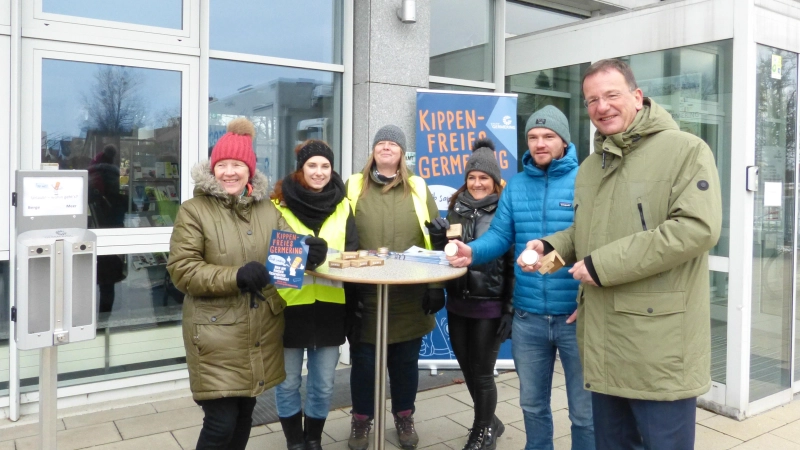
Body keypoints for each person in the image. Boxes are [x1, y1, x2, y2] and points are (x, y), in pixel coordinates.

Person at [522, 59, 722, 449]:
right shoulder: (591, 167)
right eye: (592, 99)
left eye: (612, 95)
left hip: (657, 346)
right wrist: (554, 246)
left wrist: (601, 265)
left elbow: (697, 229)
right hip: (604, 339)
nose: (602, 106)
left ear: (637, 96)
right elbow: (589, 232)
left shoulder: (686, 150)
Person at [167, 118, 327, 450]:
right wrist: (236, 276)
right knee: (220, 423)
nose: (229, 172)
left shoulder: (267, 210)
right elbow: (182, 270)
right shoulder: (194, 211)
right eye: (222, 165)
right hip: (215, 333)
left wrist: (311, 253)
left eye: (237, 165)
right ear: (212, 170)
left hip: (259, 330)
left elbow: (288, 249)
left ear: (249, 171)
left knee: (244, 417)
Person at [446, 106, 594, 450]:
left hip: (575, 314)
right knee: (532, 406)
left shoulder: (586, 181)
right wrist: (473, 252)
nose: (540, 143)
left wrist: (548, 262)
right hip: (528, 317)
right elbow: (499, 236)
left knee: (584, 413)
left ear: (564, 140)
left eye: (548, 136)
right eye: (532, 137)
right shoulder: (515, 186)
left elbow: (590, 241)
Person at [345, 124, 443, 450]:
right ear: (373, 150)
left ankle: (404, 416)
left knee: (404, 363)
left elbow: (433, 237)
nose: (386, 148)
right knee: (364, 363)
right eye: (381, 143)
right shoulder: (354, 185)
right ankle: (361, 420)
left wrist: (434, 284)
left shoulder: (416, 186)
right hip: (366, 294)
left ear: (402, 153)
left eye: (393, 144)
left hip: (408, 294)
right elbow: (341, 235)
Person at [270, 140, 358, 450]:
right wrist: (302, 259)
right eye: (312, 166)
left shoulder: (344, 205)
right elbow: (271, 258)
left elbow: (353, 257)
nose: (319, 172)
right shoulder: (277, 205)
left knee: (323, 385)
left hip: (331, 308)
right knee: (288, 383)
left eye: (325, 166)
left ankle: (314, 440)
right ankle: (295, 442)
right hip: (288, 308)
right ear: (301, 169)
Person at [426, 138, 513, 450]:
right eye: (472, 177)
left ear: (494, 181)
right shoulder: (456, 208)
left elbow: (512, 262)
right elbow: (447, 254)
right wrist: (438, 240)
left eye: (483, 178)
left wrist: (510, 309)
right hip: (459, 302)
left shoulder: (505, 210)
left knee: (483, 373)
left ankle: (482, 431)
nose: (477, 183)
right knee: (467, 367)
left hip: (490, 304)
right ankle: (491, 420)